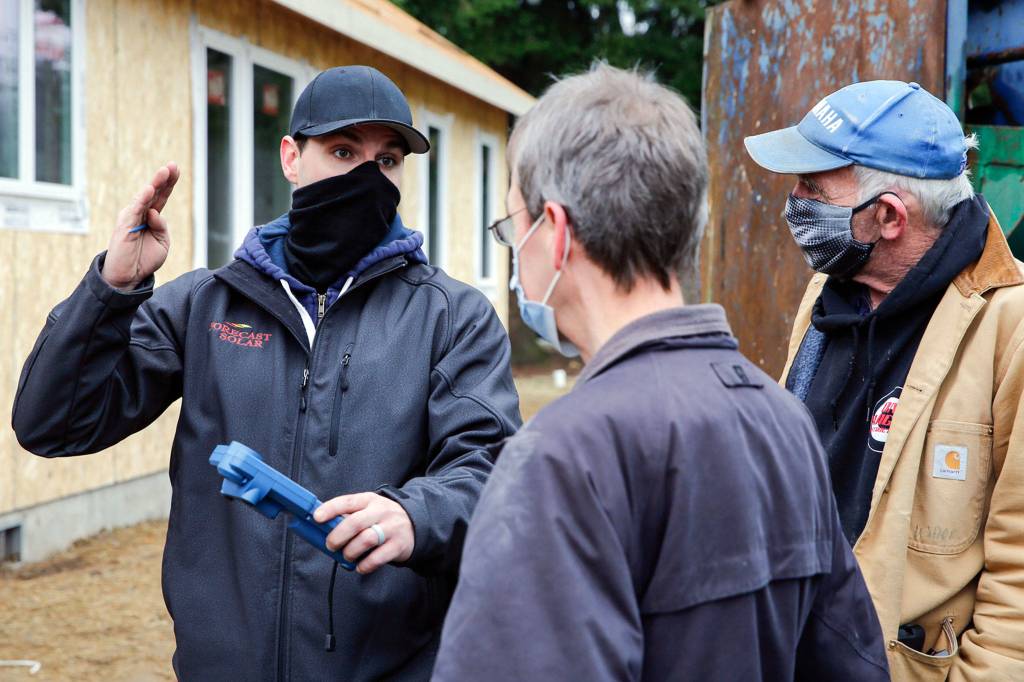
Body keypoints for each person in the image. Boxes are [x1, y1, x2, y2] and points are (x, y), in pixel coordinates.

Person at [12, 65, 520, 681]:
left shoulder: (452, 316)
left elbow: (488, 471)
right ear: (290, 157)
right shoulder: (206, 305)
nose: (368, 176)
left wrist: (416, 514)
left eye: (387, 161)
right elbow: (52, 424)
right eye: (342, 151)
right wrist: (112, 289)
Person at [431, 63, 888, 681]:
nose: (516, 258)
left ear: (557, 233)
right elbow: (851, 663)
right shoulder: (784, 422)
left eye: (515, 228)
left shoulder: (559, 459)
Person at [744, 79, 1024, 680]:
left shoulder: (1011, 326)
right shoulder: (829, 294)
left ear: (889, 216)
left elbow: (1020, 575)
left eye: (813, 189)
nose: (794, 202)